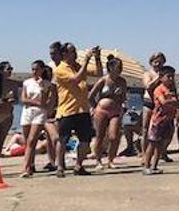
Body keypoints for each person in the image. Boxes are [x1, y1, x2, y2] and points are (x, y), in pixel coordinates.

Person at [53, 43, 103, 176]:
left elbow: (99, 73)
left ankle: (79, 166)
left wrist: (97, 58)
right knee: (63, 139)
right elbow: (76, 79)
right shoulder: (60, 69)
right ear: (64, 54)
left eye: (75, 51)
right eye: (71, 52)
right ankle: (60, 167)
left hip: (83, 109)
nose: (74, 54)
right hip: (67, 110)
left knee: (85, 139)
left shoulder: (78, 66)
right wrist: (86, 60)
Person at [88, 56, 127, 170]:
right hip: (101, 110)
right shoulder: (103, 80)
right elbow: (90, 96)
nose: (119, 69)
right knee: (99, 136)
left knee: (114, 136)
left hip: (115, 110)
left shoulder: (122, 81)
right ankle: (98, 161)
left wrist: (120, 94)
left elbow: (124, 98)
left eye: (120, 67)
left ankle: (111, 159)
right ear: (110, 67)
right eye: (117, 67)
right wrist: (94, 107)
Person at [20, 61, 53, 178]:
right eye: (33, 69)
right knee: (27, 141)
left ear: (42, 70)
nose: (34, 72)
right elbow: (23, 99)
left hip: (39, 114)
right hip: (27, 112)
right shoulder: (27, 83)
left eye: (37, 69)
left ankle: (25, 168)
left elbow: (44, 102)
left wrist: (42, 88)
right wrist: (36, 102)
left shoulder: (47, 84)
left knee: (32, 140)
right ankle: (30, 165)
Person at [144, 66, 179, 175]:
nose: (171, 79)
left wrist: (172, 101)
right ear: (161, 77)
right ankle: (146, 166)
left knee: (160, 145)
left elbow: (177, 104)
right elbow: (163, 102)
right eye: (168, 76)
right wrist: (171, 100)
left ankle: (154, 166)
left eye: (172, 77)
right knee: (153, 143)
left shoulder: (172, 90)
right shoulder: (159, 89)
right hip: (158, 121)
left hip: (167, 120)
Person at [141, 52, 168, 158]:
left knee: (163, 129)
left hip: (161, 104)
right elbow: (148, 86)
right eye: (155, 62)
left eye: (160, 62)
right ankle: (144, 153)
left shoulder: (166, 74)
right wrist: (158, 78)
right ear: (151, 62)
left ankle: (162, 152)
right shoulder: (147, 74)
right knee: (146, 128)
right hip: (149, 102)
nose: (158, 64)